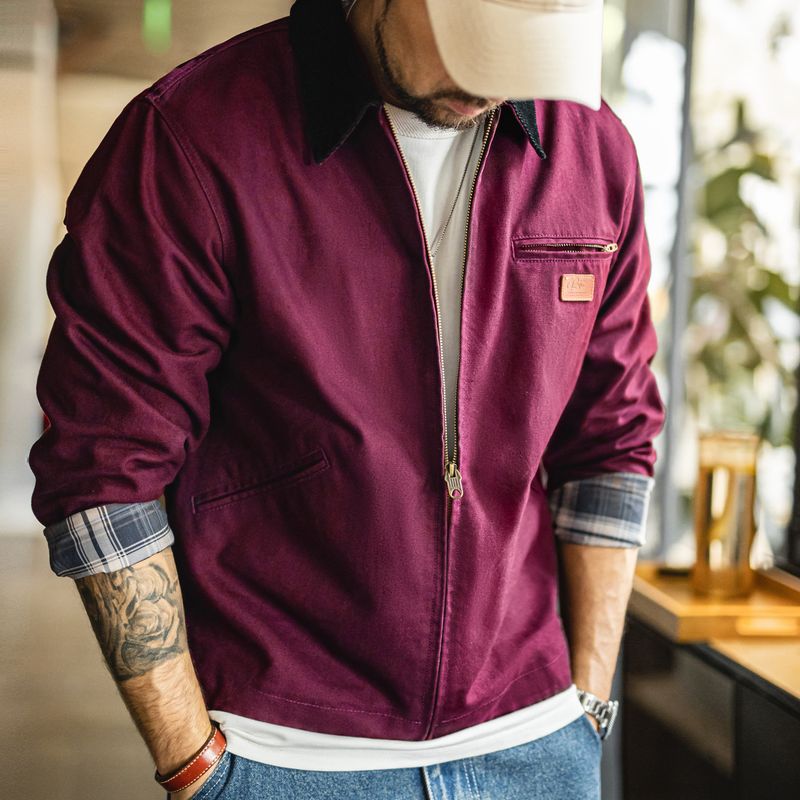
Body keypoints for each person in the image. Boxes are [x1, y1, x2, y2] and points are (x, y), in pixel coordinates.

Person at [27, 0, 666, 797]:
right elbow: (104, 459)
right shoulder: (192, 139)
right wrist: (191, 758)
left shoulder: (593, 151)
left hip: (537, 743)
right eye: (471, 43)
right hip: (285, 755)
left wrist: (587, 707)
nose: (489, 84)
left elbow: (613, 440)